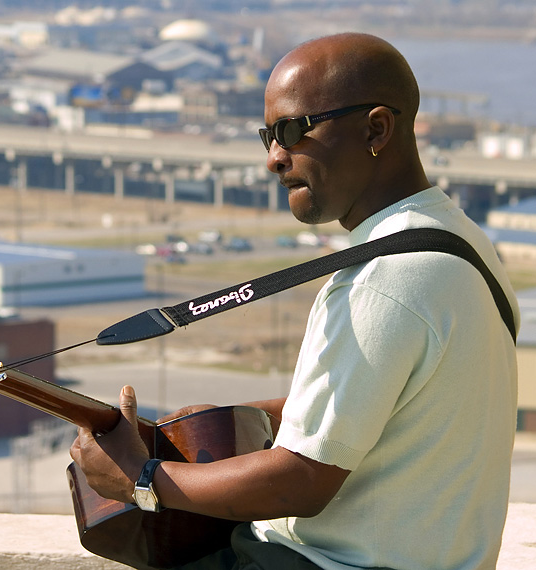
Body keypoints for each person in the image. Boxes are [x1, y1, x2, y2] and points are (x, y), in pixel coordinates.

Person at [70, 32, 519, 570]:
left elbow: (301, 482)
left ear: (376, 128)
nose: (274, 159)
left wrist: (142, 480)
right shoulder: (459, 241)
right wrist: (240, 417)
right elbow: (388, 401)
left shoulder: (383, 280)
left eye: (292, 132)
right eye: (268, 137)